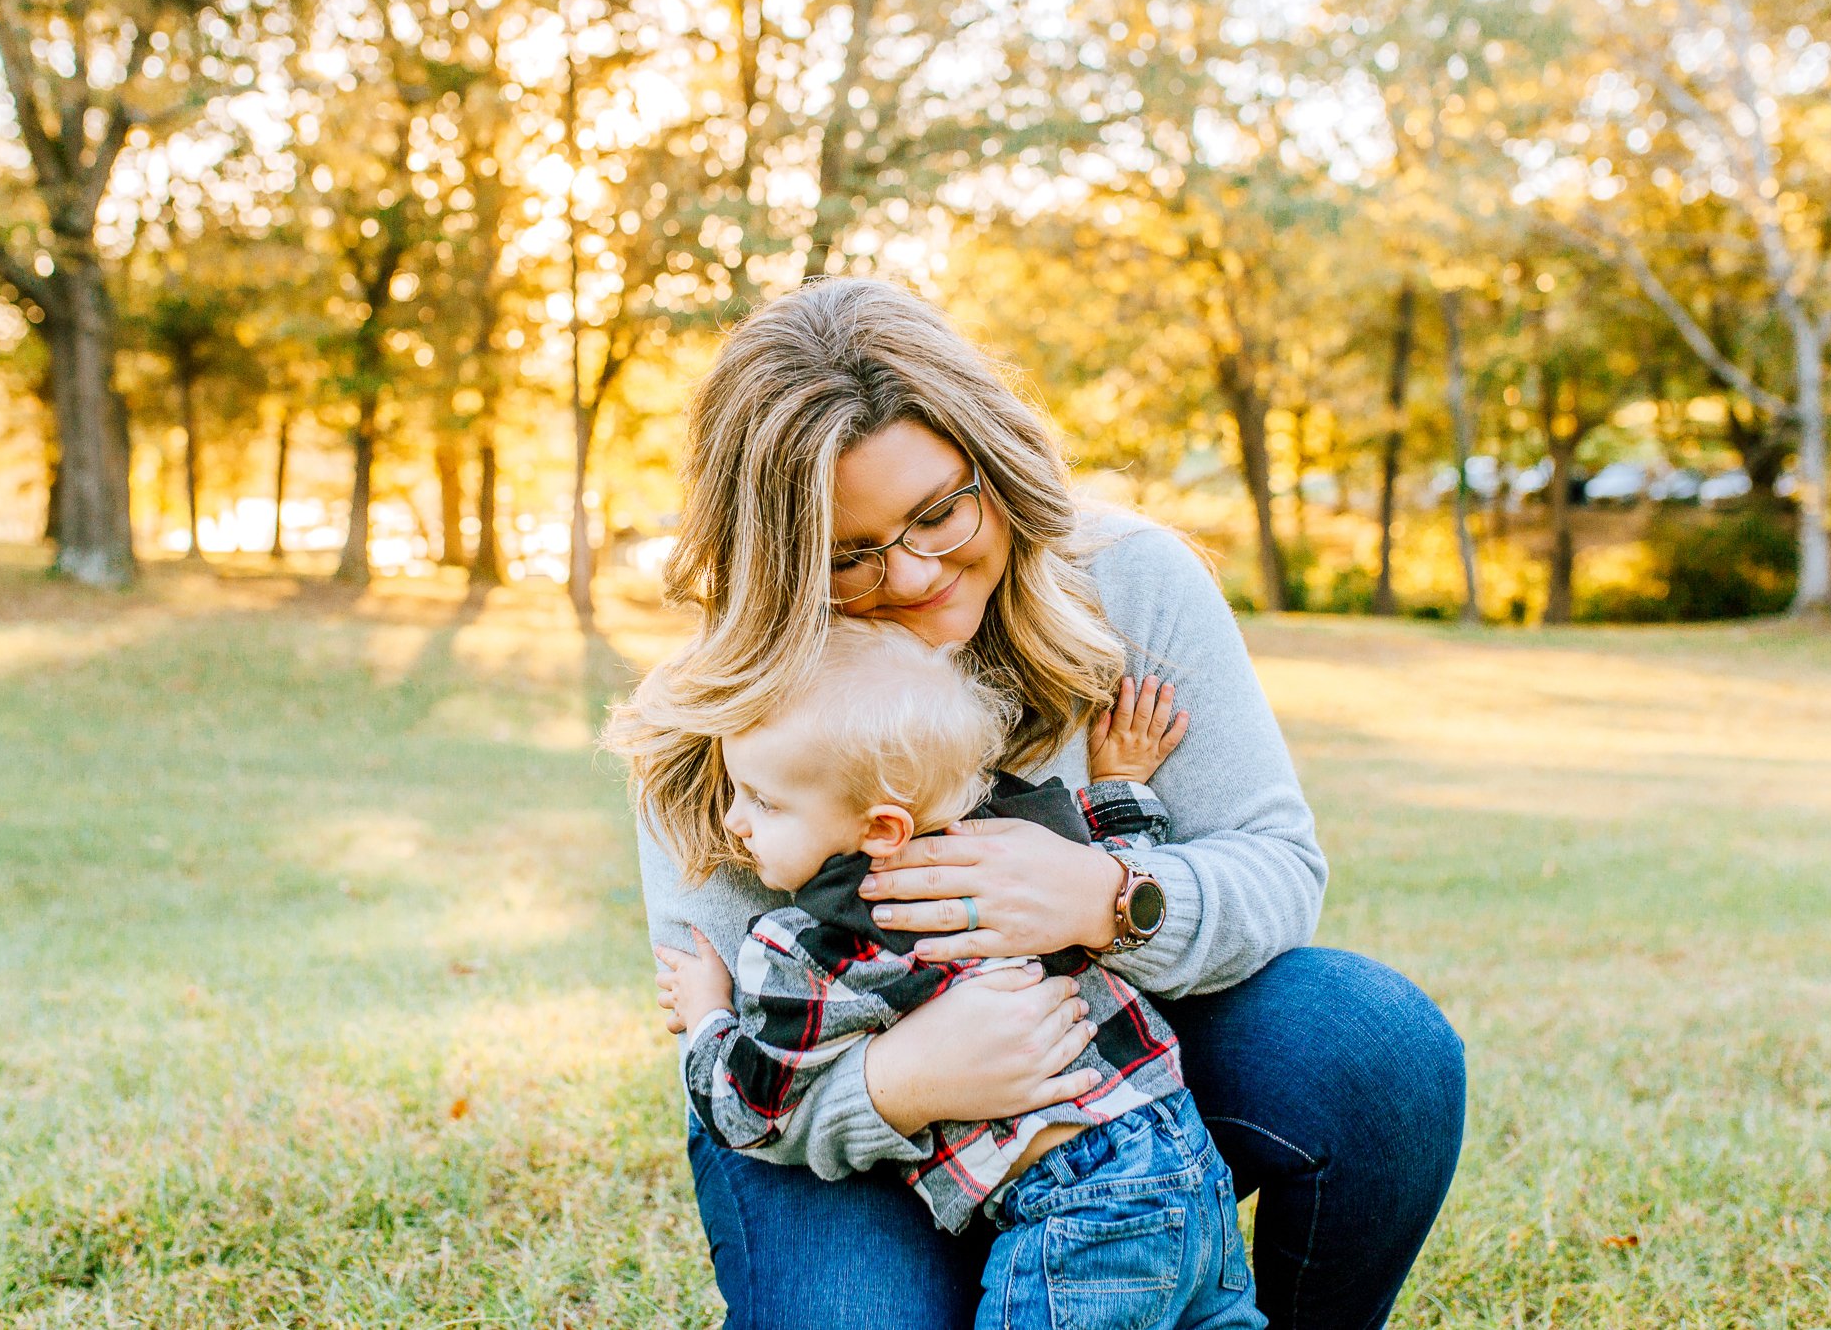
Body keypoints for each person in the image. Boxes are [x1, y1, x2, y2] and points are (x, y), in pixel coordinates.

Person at [606, 276, 1465, 1330]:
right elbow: (742, 1055)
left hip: (1106, 1092)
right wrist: (898, 1082)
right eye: (850, 555)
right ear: (778, 564)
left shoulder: (1130, 583)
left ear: (993, 462)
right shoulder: (717, 718)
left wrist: (1106, 895)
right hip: (834, 1127)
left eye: (938, 510)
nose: (917, 572)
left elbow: (1277, 867)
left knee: (1372, 1045)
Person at [645, 620, 1259, 1328]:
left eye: (764, 800)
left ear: (881, 828)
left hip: (1075, 1207)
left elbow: (748, 1106)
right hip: (1184, 1156)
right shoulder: (1014, 835)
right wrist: (1119, 786)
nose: (734, 820)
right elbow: (1108, 851)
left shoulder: (816, 947)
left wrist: (707, 1015)